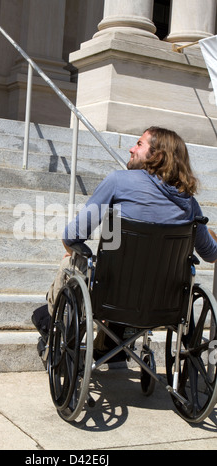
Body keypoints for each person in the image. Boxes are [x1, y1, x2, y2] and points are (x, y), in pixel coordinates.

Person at [32, 127, 217, 357]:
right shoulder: (189, 203)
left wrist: (73, 252)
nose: (131, 148)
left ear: (157, 156)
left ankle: (56, 329)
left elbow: (72, 235)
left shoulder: (118, 182)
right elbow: (211, 255)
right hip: (164, 302)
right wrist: (208, 233)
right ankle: (115, 338)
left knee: (72, 261)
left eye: (139, 144)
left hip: (112, 294)